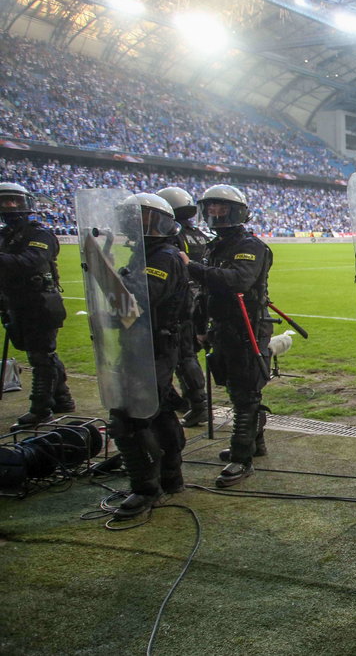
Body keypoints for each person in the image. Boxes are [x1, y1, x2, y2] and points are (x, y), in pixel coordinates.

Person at [182, 185, 273, 487]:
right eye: (211, 208)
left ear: (236, 211)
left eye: (221, 208)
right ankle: (253, 444)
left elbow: (239, 280)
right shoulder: (214, 246)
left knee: (245, 396)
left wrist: (190, 267)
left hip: (246, 328)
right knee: (237, 391)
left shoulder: (252, 245)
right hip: (222, 328)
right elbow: (206, 293)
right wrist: (201, 328)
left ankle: (241, 458)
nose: (214, 213)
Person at [106, 194, 190, 518]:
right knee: (161, 410)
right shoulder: (147, 254)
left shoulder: (163, 256)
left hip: (154, 346)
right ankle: (171, 477)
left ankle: (146, 488)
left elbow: (140, 299)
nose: (133, 221)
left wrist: (115, 279)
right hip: (145, 345)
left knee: (130, 417)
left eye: (140, 216)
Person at [0, 182, 73, 426]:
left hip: (40, 303)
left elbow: (31, 261)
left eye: (15, 201)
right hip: (17, 303)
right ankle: (62, 398)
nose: (10, 206)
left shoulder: (39, 234)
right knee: (44, 353)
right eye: (5, 201)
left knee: (41, 357)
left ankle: (41, 408)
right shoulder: (6, 236)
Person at [157, 186, 210, 428]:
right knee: (187, 355)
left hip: (180, 301)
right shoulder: (198, 233)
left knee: (183, 356)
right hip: (198, 299)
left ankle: (197, 404)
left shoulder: (172, 235)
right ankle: (195, 403)